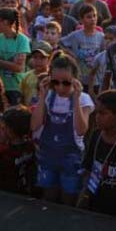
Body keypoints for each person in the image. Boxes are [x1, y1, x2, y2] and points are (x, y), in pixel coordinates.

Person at [32, 55, 93, 205]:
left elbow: (81, 130)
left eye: (66, 83)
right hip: (48, 153)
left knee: (69, 198)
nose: (60, 87)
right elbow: (34, 126)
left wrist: (76, 99)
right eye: (55, 82)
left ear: (74, 79)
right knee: (49, 196)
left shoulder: (83, 99)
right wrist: (42, 96)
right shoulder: (48, 97)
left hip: (71, 157)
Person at [0, 106, 37, 196]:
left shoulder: (4, 150)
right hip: (23, 190)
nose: (2, 128)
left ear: (12, 129)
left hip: (5, 190)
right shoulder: (31, 146)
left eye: (5, 127)